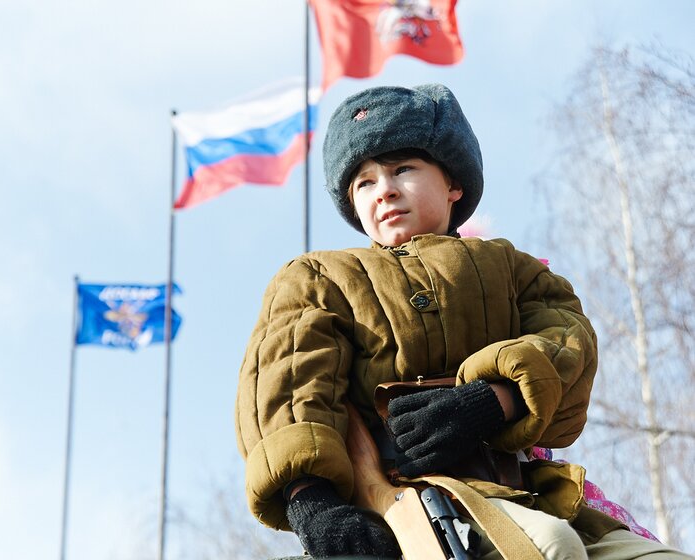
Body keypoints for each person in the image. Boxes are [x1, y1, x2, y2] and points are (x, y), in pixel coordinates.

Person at [234, 84, 693, 559]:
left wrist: (493, 400)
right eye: (364, 183)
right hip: (408, 505)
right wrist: (312, 503)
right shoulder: (318, 277)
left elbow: (569, 342)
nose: (384, 189)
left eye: (402, 169)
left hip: (531, 490)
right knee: (550, 548)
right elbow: (288, 387)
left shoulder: (512, 267)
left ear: (453, 183)